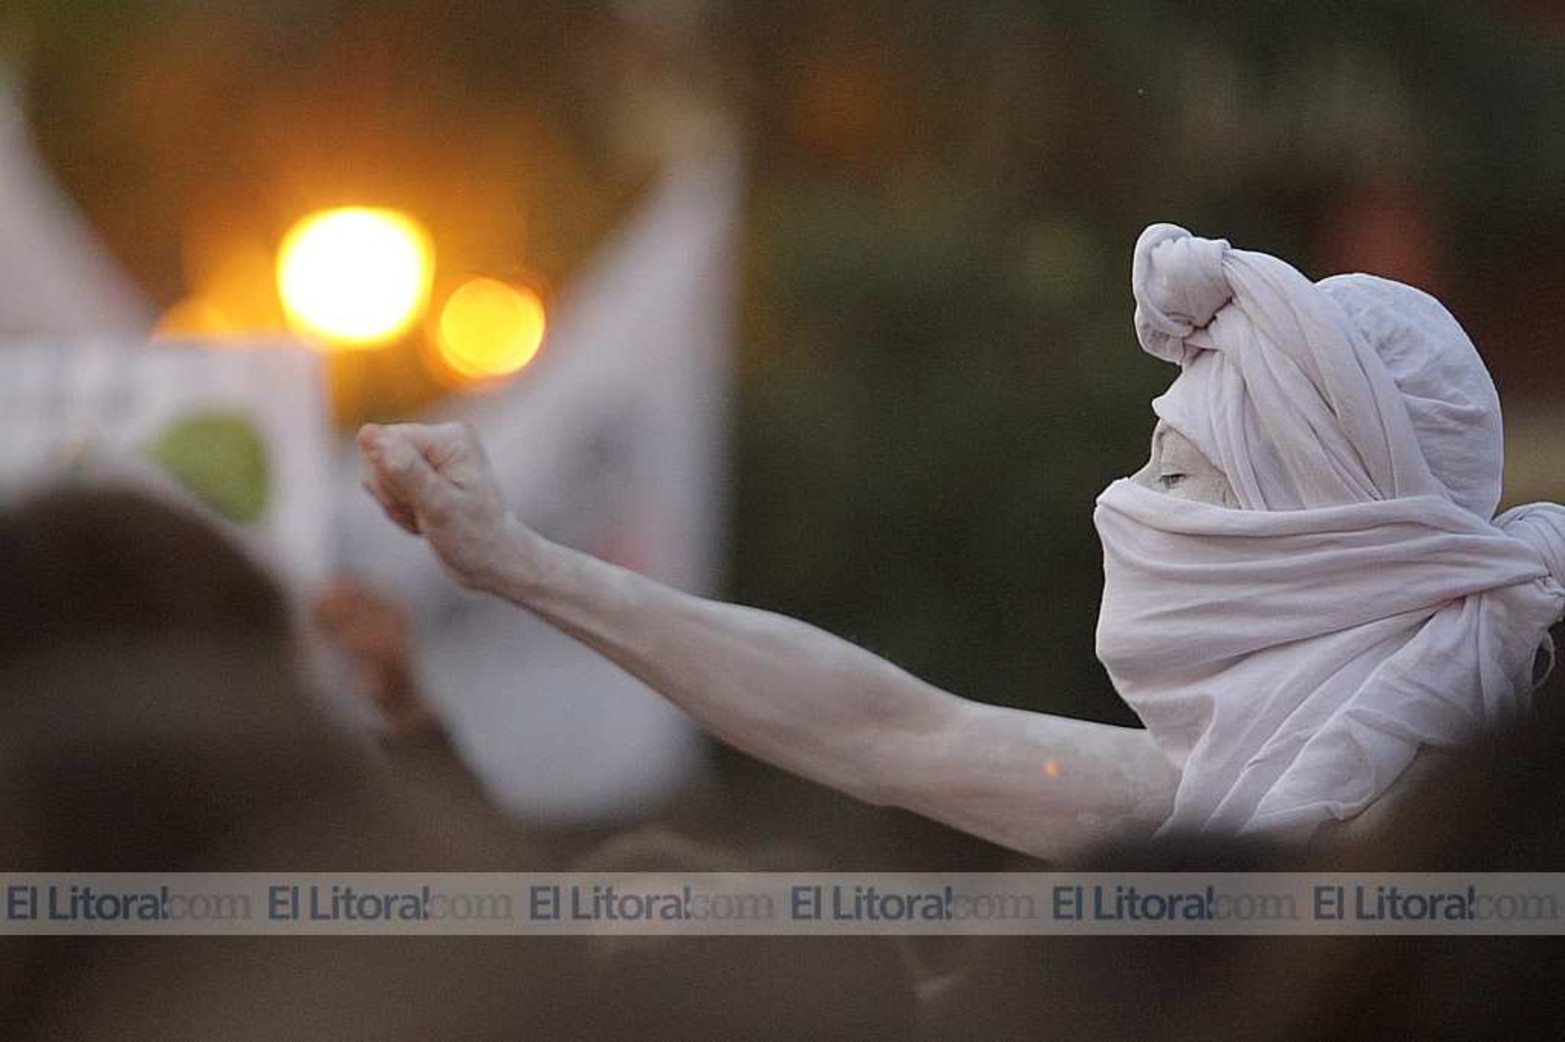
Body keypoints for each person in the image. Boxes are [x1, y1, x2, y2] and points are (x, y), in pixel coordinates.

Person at [354, 223, 1565, 859]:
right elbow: (884, 731)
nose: (1130, 503)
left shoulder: (1462, 845)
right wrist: (518, 562)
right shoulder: (1235, 795)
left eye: (1179, 470)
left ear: (1325, 529)